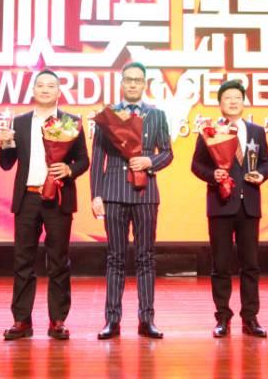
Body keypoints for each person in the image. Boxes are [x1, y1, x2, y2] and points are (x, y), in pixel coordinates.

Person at [0, 69, 89, 340]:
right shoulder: (19, 122)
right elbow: (7, 163)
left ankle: (57, 320)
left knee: (58, 260)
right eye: (41, 85)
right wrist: (5, 144)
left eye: (51, 86)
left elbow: (83, 160)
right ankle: (21, 321)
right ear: (33, 90)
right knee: (22, 260)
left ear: (59, 91)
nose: (46, 89)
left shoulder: (71, 122)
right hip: (27, 197)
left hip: (59, 197)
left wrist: (69, 170)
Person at [90, 62, 173, 339]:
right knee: (115, 257)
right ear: (122, 83)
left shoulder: (157, 115)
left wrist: (150, 161)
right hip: (113, 192)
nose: (133, 84)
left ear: (145, 84)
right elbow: (97, 159)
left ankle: (146, 320)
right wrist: (96, 195)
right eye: (129, 79)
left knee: (145, 257)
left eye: (138, 80)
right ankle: (112, 321)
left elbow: (168, 153)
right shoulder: (108, 116)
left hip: (146, 193)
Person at [191, 79, 268, 338]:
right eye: (227, 98)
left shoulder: (257, 131)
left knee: (251, 265)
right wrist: (211, 175)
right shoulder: (210, 131)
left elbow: (266, 162)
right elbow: (196, 165)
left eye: (237, 97)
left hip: (249, 205)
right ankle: (223, 317)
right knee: (221, 265)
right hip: (221, 204)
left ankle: (250, 318)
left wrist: (261, 174)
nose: (233, 101)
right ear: (220, 103)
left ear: (243, 101)